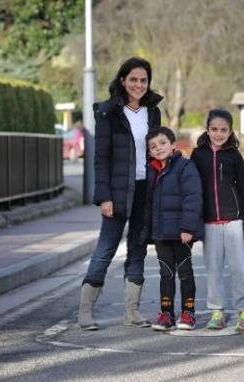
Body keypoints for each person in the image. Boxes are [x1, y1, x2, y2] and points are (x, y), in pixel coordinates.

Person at [78, 57, 163, 330]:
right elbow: (101, 159)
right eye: (134, 79)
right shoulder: (107, 112)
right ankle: (85, 313)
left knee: (138, 248)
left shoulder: (153, 112)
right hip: (116, 192)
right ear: (123, 80)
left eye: (143, 80)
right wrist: (104, 197)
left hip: (145, 190)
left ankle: (132, 312)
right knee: (105, 250)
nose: (138, 84)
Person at [190, 109, 244, 332]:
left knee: (240, 268)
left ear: (230, 131)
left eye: (223, 130)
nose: (219, 134)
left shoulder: (234, 156)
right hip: (209, 223)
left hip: (234, 221)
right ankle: (217, 311)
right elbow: (193, 190)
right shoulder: (198, 155)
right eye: (214, 129)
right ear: (207, 129)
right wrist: (193, 222)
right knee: (213, 269)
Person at [140, 127, 203, 331]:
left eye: (162, 143)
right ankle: (166, 314)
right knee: (165, 273)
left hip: (181, 233)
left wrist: (187, 227)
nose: (158, 148)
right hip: (161, 233)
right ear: (149, 152)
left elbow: (192, 198)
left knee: (185, 272)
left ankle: (188, 313)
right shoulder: (151, 170)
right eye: (153, 146)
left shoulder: (185, 167)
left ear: (173, 145)